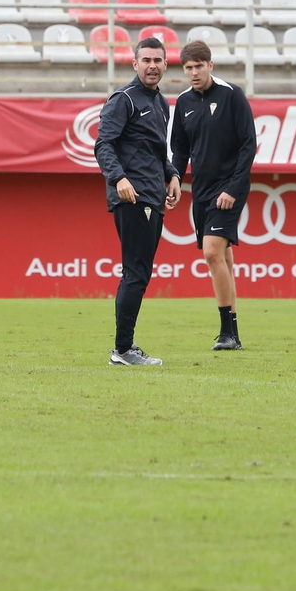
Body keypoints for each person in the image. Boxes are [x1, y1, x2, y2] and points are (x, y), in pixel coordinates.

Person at [94, 37, 181, 366]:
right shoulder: (123, 99)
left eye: (158, 60)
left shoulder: (161, 103)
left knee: (139, 273)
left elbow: (159, 150)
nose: (152, 66)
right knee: (135, 272)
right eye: (146, 60)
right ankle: (123, 349)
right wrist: (119, 179)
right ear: (135, 64)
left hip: (154, 195)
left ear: (165, 65)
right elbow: (103, 145)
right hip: (132, 196)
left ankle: (124, 348)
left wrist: (172, 175)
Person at [170, 39, 257, 351]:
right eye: (188, 68)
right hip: (202, 190)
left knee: (210, 253)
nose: (194, 72)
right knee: (223, 258)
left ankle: (226, 333)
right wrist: (175, 178)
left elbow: (249, 144)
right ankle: (233, 332)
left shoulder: (232, 95)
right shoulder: (183, 102)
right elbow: (179, 148)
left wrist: (233, 188)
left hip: (229, 188)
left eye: (198, 66)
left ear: (211, 65)